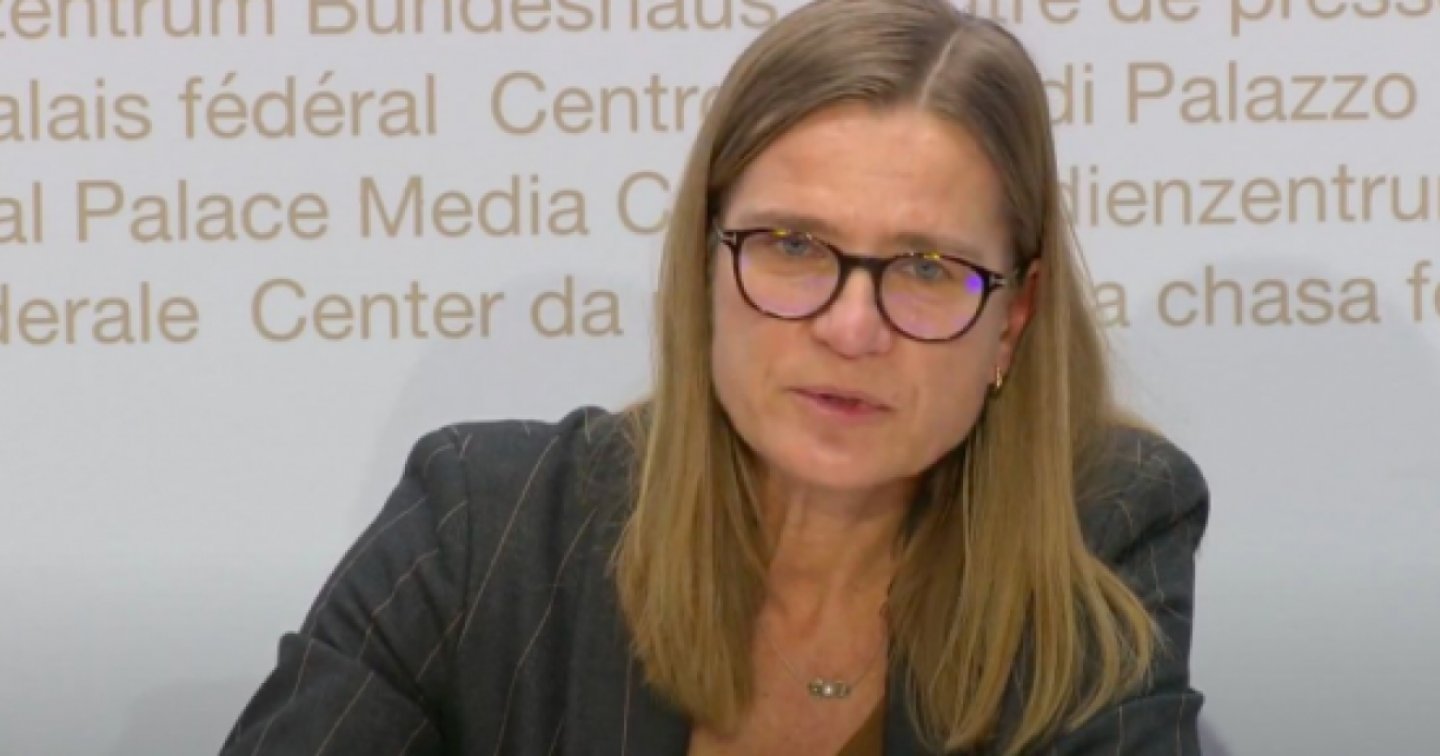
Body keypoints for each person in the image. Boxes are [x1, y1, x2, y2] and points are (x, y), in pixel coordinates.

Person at [219, 0, 1210, 753]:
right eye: (793, 246)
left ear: (1013, 321)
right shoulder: (488, 528)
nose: (851, 328)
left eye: (926, 268)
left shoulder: (1101, 531)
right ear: (705, 266)